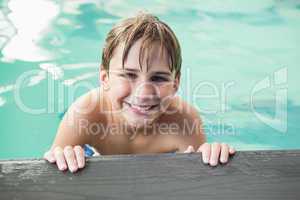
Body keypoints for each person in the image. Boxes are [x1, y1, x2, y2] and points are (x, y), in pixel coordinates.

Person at [44, 12, 235, 173]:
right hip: (92, 150)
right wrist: (63, 155)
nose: (143, 93)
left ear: (175, 84)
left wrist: (212, 153)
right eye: (128, 75)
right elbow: (52, 169)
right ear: (105, 79)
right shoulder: (84, 114)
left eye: (158, 78)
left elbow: (198, 180)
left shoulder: (185, 120)